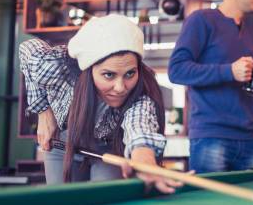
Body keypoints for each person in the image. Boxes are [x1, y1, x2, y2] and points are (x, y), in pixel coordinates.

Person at [19, 14, 181, 193]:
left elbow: (140, 126)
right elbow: (27, 48)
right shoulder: (57, 68)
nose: (120, 88)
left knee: (106, 200)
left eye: (129, 74)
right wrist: (43, 111)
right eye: (109, 75)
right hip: (63, 146)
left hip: (109, 149)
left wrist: (144, 160)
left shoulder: (140, 94)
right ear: (88, 70)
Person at [168, 0, 253, 173]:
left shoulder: (252, 34)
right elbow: (176, 70)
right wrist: (229, 71)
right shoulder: (201, 20)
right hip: (210, 138)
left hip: (249, 140)